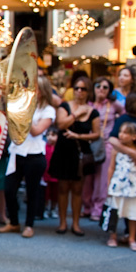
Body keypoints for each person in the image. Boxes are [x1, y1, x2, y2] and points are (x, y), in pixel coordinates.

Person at [0, 75, 56, 238]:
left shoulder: (48, 110)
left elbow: (37, 130)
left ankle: (29, 225)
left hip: (35, 154)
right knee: (9, 189)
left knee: (32, 191)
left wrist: (26, 112)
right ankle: (14, 222)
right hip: (17, 151)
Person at [47, 75, 100, 236]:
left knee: (78, 189)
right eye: (76, 88)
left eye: (83, 89)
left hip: (81, 153)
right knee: (63, 187)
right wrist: (76, 114)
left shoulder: (93, 112)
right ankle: (62, 223)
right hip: (64, 150)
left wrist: (79, 137)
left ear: (88, 91)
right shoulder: (65, 106)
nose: (79, 91)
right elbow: (61, 124)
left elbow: (97, 134)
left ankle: (76, 224)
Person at [85, 76, 123, 220]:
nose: (101, 89)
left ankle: (97, 208)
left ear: (109, 90)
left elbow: (125, 116)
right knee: (87, 177)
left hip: (105, 144)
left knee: (102, 179)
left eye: (105, 87)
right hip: (88, 144)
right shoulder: (88, 104)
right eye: (98, 86)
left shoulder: (114, 105)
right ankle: (86, 206)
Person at [105, 121, 136, 251]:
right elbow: (111, 168)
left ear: (134, 136)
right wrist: (109, 184)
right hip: (118, 185)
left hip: (134, 185)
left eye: (126, 133)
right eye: (120, 132)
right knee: (114, 211)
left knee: (134, 212)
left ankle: (132, 238)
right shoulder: (116, 150)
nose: (121, 135)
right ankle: (113, 236)